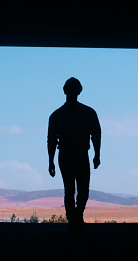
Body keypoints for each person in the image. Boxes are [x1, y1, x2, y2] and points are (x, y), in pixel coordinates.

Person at [47, 77, 101, 233]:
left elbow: (51, 140)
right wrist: (97, 155)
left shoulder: (57, 115)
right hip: (77, 155)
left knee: (71, 189)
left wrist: (51, 161)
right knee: (78, 189)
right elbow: (96, 135)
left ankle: (74, 217)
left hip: (68, 155)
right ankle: (75, 217)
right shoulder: (87, 112)